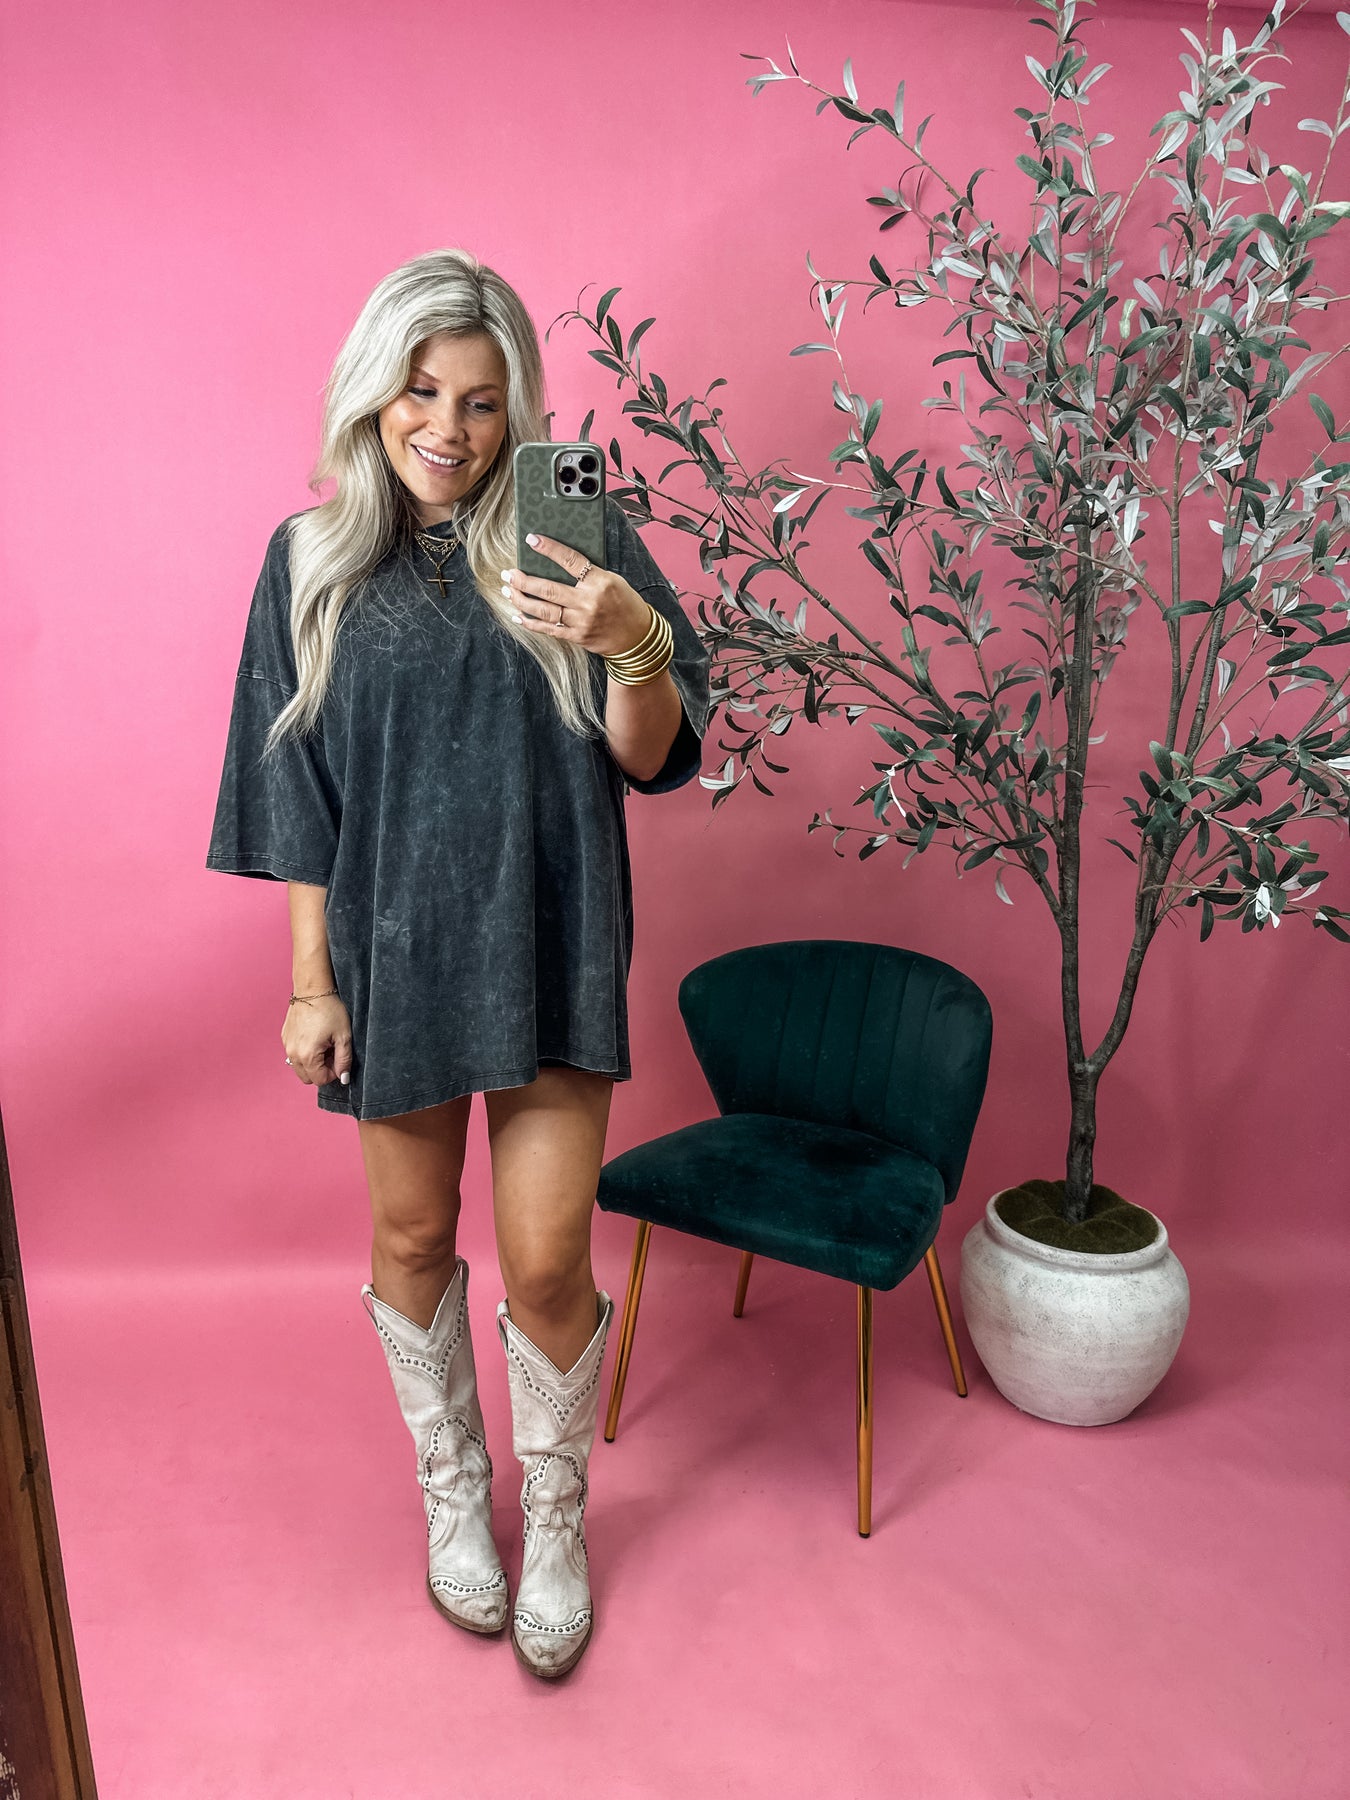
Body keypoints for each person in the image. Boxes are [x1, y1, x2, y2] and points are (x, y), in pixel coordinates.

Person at [205, 247, 711, 1679]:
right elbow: (294, 792)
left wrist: (634, 642)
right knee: (417, 1237)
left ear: (518, 410)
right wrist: (310, 982)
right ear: (374, 393)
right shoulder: (309, 558)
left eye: (483, 401)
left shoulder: (570, 528)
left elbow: (652, 758)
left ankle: (553, 1516)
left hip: (553, 935)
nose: (449, 427)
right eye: (421, 391)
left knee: (547, 1258)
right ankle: (451, 1490)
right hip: (393, 949)